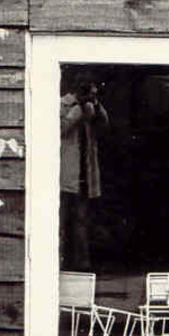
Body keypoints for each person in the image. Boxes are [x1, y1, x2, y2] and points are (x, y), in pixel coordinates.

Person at [59, 75, 109, 270]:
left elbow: (104, 127)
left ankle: (82, 266)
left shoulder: (90, 107)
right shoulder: (62, 105)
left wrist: (96, 106)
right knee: (60, 222)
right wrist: (78, 110)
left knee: (81, 222)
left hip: (83, 175)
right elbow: (59, 129)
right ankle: (58, 264)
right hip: (64, 175)